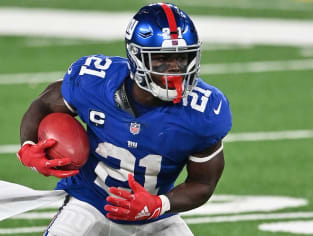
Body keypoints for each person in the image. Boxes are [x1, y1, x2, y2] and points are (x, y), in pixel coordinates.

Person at [17, 2, 232, 236]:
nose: (174, 68)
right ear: (136, 57)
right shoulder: (95, 82)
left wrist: (158, 205)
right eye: (162, 58)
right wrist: (28, 145)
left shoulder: (204, 110)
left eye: (182, 58)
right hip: (88, 202)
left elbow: (203, 184)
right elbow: (45, 103)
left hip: (154, 214)